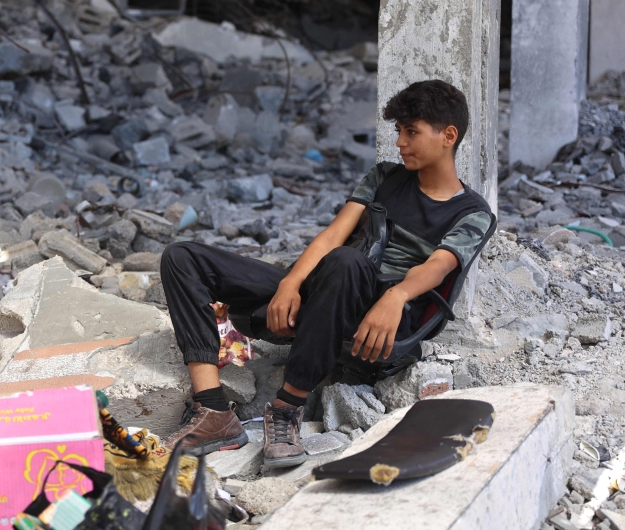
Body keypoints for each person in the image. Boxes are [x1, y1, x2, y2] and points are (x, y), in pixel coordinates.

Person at [159, 80, 496, 468]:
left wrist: (396, 295)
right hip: (331, 290)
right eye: (399, 131)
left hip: (378, 324)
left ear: (448, 136)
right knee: (183, 257)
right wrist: (290, 282)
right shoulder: (385, 178)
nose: (400, 142)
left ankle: (287, 410)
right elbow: (333, 235)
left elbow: (439, 266)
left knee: (347, 263)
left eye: (412, 132)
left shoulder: (472, 213)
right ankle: (213, 412)